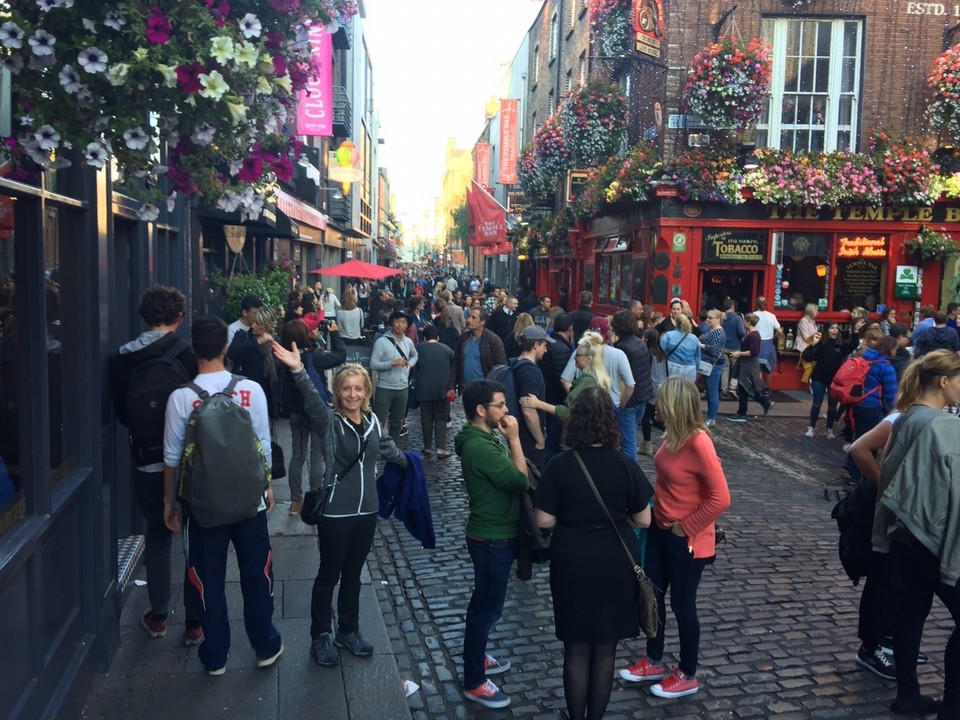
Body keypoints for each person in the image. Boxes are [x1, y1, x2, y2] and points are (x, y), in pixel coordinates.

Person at [271, 346, 410, 668]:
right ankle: (320, 635)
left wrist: (412, 469)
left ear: (367, 392)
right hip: (335, 513)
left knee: (353, 574)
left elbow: (392, 452)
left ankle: (348, 629)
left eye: (358, 389)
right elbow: (312, 400)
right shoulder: (330, 423)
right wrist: (298, 369)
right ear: (338, 392)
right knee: (328, 574)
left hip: (367, 513)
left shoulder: (374, 422)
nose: (352, 394)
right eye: (346, 388)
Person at [162, 315, 282, 675]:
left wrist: (169, 501)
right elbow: (262, 443)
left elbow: (171, 458)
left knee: (207, 579)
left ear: (193, 348)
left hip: (202, 508)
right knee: (257, 574)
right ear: (226, 349)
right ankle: (264, 644)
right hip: (249, 502)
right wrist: (267, 485)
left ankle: (215, 655)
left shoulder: (181, 398)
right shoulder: (250, 390)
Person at [534, 386, 653, 720]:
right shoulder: (625, 464)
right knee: (604, 649)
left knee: (575, 646)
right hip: (615, 560)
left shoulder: (560, 465)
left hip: (572, 560)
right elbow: (644, 518)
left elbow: (543, 519)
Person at [619, 376, 731, 699]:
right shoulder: (672, 436)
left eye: (662, 402)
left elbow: (721, 497)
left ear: (676, 406)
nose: (655, 406)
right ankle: (653, 659)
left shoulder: (699, 442)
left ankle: (687, 672)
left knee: (683, 606)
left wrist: (689, 524)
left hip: (687, 540)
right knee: (652, 596)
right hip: (660, 530)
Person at [109, 285, 201, 644]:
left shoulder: (120, 359)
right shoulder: (189, 354)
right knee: (196, 542)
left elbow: (121, 414)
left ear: (144, 317)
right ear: (180, 318)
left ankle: (159, 615)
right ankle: (195, 622)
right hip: (191, 463)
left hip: (148, 462)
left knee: (158, 538)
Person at [875, 350, 960, 717]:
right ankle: (954, 705)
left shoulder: (907, 418)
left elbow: (888, 476)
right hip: (934, 540)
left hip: (903, 537)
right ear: (943, 381)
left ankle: (907, 695)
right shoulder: (943, 426)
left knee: (910, 615)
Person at [455, 379, 530, 709]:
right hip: (492, 537)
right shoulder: (480, 446)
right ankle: (474, 679)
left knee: (482, 604)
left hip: (494, 534)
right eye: (500, 405)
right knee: (487, 609)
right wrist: (514, 439)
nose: (506, 411)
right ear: (481, 410)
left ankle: (477, 654)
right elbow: (519, 481)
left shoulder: (484, 437)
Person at [278, 318, 346, 514]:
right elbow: (340, 356)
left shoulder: (282, 358)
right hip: (314, 411)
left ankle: (296, 501)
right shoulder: (312, 357)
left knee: (297, 456)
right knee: (316, 456)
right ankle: (315, 497)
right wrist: (334, 333)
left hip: (294, 413)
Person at [521, 331, 611, 423]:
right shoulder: (596, 379)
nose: (575, 357)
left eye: (578, 354)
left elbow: (568, 412)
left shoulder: (586, 381)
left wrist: (538, 404)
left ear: (589, 359)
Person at [801, 322, 858, 438]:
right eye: (832, 328)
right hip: (819, 377)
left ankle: (829, 429)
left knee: (832, 406)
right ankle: (812, 427)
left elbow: (854, 344)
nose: (835, 330)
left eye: (837, 328)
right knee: (817, 403)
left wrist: (855, 332)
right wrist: (813, 344)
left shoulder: (841, 345)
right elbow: (806, 356)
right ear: (827, 330)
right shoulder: (821, 343)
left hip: (834, 379)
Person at [370, 310, 418, 443]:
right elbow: (373, 364)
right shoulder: (382, 342)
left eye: (403, 322)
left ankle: (393, 449)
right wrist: (392, 363)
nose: (400, 325)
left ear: (407, 325)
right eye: (397, 321)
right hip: (385, 388)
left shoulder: (408, 342)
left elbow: (415, 355)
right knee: (379, 422)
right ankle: (377, 449)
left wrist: (410, 365)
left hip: (402, 388)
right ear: (392, 323)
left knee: (397, 423)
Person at [610, 310, 652, 459]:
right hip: (642, 397)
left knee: (627, 443)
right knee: (631, 437)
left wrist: (621, 403)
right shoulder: (640, 343)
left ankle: (631, 475)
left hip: (629, 400)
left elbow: (623, 379)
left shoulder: (623, 348)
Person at [227, 306, 279, 419]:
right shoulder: (242, 336)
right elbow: (232, 353)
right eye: (254, 321)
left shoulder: (275, 342)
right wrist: (258, 341)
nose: (253, 325)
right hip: (243, 397)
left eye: (258, 323)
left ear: (267, 325)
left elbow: (277, 375)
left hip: (264, 397)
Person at [510, 325, 551, 469]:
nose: (545, 350)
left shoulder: (516, 363)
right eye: (545, 345)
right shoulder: (531, 371)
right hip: (529, 439)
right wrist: (540, 439)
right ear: (536, 345)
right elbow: (528, 409)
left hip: (518, 432)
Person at [414, 324, 455, 459]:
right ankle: (441, 448)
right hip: (442, 390)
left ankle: (427, 447)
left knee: (426, 419)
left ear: (424, 337)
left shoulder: (418, 348)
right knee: (441, 419)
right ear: (438, 337)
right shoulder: (446, 349)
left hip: (424, 390)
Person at [539, 313, 574, 460]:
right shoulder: (562, 349)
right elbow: (562, 378)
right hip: (556, 400)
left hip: (546, 395)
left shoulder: (549, 343)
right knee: (555, 440)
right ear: (570, 329)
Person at [727, 314, 774, 422]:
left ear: (748, 322)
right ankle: (743, 411)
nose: (743, 323)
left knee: (745, 387)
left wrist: (739, 353)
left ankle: (745, 412)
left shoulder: (753, 336)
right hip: (747, 364)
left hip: (748, 365)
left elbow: (754, 352)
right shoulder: (752, 334)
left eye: (744, 321)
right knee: (744, 387)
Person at [454, 307, 506, 392]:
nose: (469, 320)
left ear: (483, 321)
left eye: (473, 317)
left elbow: (501, 368)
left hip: (485, 389)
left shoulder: (494, 340)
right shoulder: (464, 338)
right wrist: (451, 386)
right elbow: (456, 362)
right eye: (469, 316)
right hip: (466, 389)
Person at [641, 329, 667, 456]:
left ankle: (647, 444)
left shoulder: (648, 354)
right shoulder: (662, 353)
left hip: (652, 388)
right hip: (662, 387)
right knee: (654, 416)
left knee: (648, 417)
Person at [699, 309, 726, 427]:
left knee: (712, 392)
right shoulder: (712, 330)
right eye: (707, 318)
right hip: (707, 365)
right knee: (710, 392)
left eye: (710, 318)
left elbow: (714, 350)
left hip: (713, 366)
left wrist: (700, 345)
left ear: (718, 319)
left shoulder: (719, 332)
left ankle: (711, 418)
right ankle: (710, 416)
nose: (708, 320)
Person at [660, 314, 701, 382]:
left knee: (673, 389)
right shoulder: (694, 338)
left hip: (673, 366)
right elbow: (697, 357)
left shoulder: (668, 335)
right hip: (690, 369)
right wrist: (696, 370)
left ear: (676, 323)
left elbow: (661, 352)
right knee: (687, 390)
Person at [753, 296, 781, 375]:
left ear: (756, 304)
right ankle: (767, 387)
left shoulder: (753, 315)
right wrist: (774, 337)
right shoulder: (771, 316)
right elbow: (779, 331)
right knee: (768, 370)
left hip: (756, 342)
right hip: (768, 343)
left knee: (758, 369)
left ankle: (759, 387)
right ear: (766, 305)